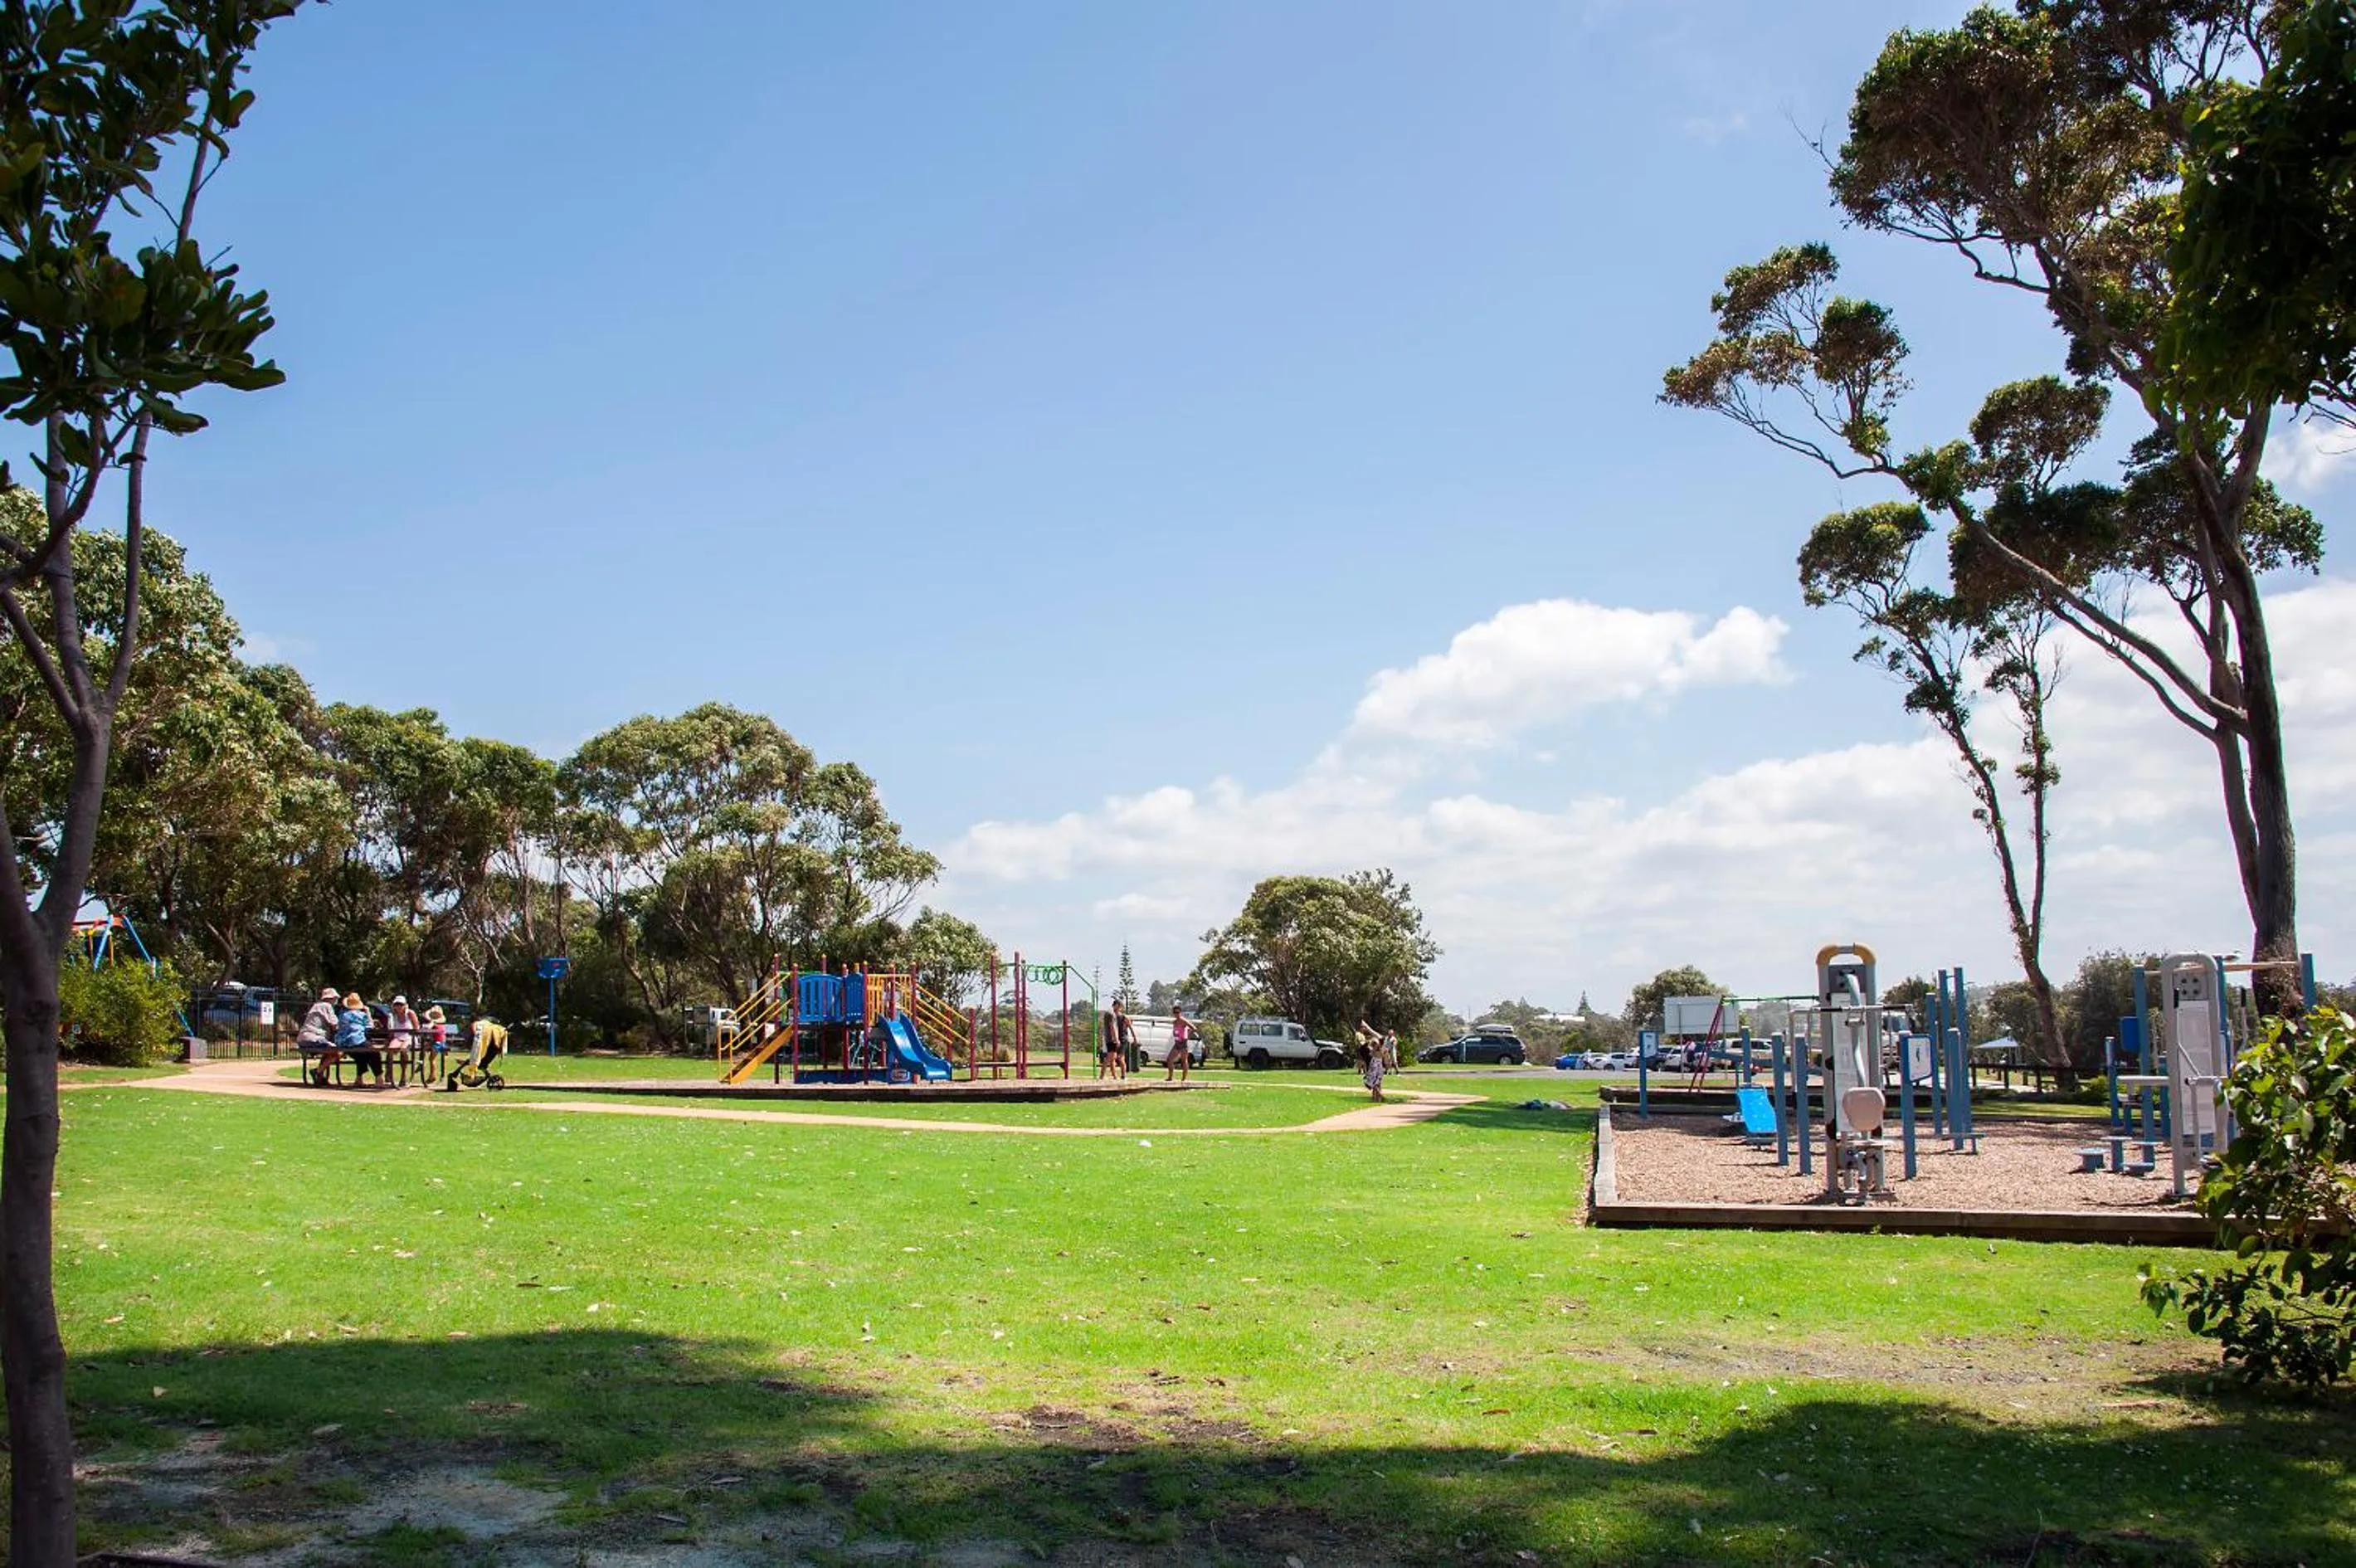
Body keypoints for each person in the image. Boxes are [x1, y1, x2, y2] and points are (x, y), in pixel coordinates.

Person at [299, 986, 341, 1086]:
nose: (336, 1000)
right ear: (330, 998)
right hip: (314, 1038)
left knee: (329, 1051)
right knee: (338, 1051)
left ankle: (320, 1076)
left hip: (303, 1038)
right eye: (335, 998)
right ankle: (318, 1071)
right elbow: (335, 1025)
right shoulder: (327, 1006)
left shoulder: (316, 1005)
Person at [335, 991, 380, 1085]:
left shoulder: (342, 1015)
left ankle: (359, 1078)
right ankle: (379, 1078)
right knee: (374, 1053)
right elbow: (370, 1026)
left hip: (343, 1044)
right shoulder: (361, 1015)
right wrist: (368, 1012)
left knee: (362, 1055)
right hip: (356, 1041)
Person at [1166, 1006, 1192, 1083]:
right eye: (1175, 1013)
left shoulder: (1183, 1020)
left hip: (1183, 1043)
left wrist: (1187, 1035)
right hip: (1177, 1043)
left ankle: (1184, 1078)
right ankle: (1170, 1077)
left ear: (1180, 1013)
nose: (1176, 1014)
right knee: (1169, 1059)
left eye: (1178, 1012)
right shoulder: (1174, 1022)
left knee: (1184, 1060)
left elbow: (1194, 1028)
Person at [1360, 1035, 1388, 1103]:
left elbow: (1370, 1051)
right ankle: (1376, 1098)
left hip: (1374, 1063)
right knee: (1377, 1081)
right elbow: (1385, 1059)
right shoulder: (1384, 1049)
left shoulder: (1375, 1047)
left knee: (1371, 1082)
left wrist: (1369, 1042)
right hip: (1380, 1064)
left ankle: (1379, 1095)